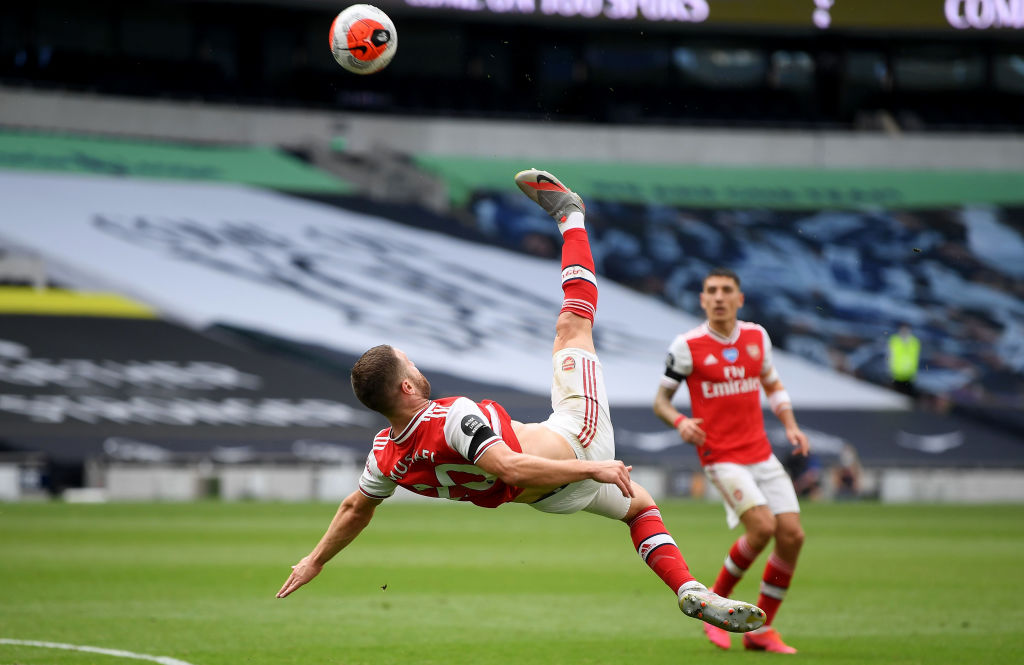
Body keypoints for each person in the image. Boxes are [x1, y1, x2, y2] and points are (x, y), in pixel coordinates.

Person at [277, 170, 766, 637]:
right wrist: (590, 469)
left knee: (639, 507)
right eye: (410, 366)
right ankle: (571, 215)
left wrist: (315, 559)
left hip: (550, 497)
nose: (417, 369)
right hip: (578, 443)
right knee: (572, 326)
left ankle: (687, 589)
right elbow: (510, 467)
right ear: (406, 388)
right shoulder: (452, 418)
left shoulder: (385, 454)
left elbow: (353, 508)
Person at [652, 267, 810, 654]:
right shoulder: (687, 346)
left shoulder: (757, 337)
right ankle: (714, 604)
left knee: (792, 536)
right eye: (712, 291)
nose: (719, 297)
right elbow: (661, 402)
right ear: (702, 300)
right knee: (762, 528)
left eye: (726, 291)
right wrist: (681, 422)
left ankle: (761, 630)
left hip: (760, 452)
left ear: (740, 299)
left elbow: (772, 383)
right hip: (720, 455)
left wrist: (790, 424)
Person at [887, 323, 920, 398]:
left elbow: (915, 358)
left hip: (909, 374)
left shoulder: (914, 342)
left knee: (908, 396)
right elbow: (889, 355)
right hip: (896, 373)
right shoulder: (894, 341)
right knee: (897, 395)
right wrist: (889, 369)